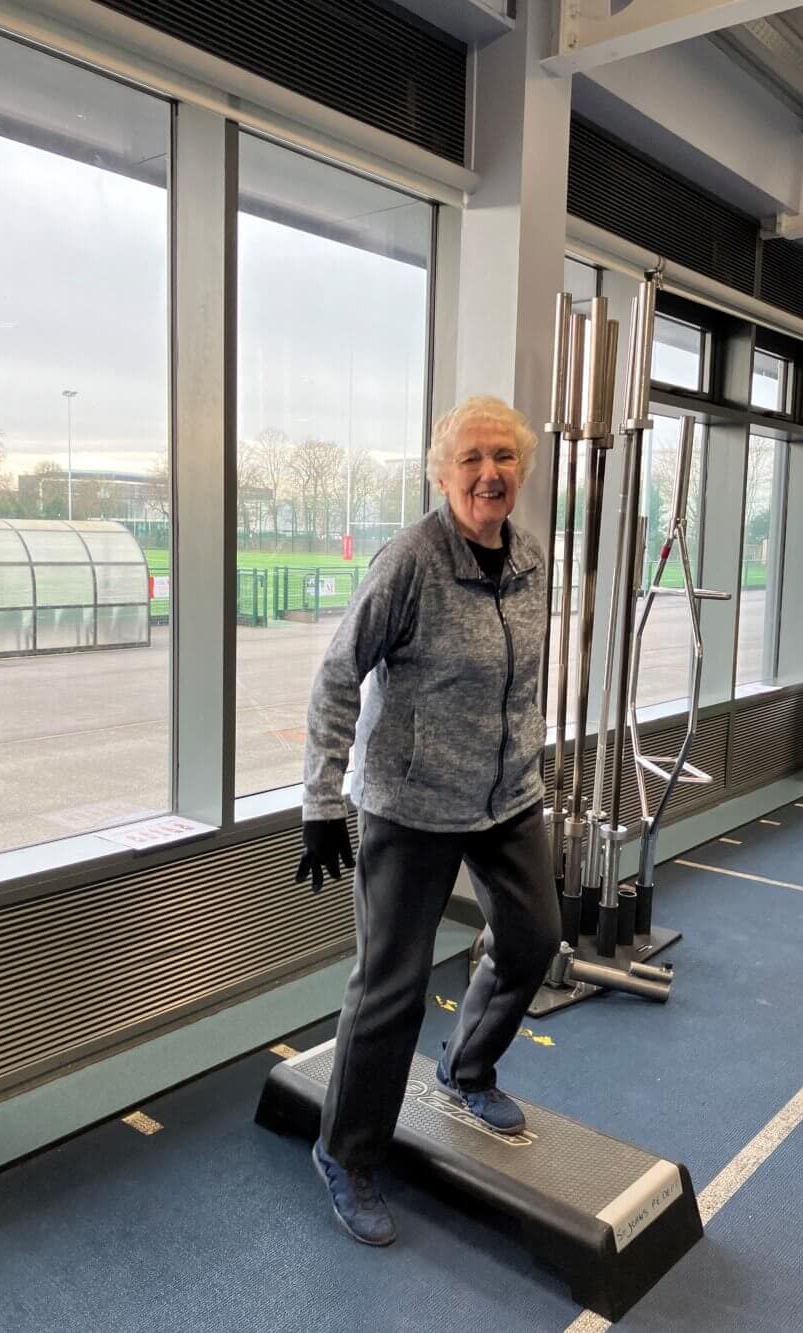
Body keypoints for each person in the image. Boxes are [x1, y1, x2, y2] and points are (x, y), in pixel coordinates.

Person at [295, 394, 560, 1247]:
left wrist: (529, 761)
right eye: (473, 459)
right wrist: (321, 798)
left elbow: (518, 682)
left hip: (503, 798)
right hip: (408, 805)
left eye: (505, 458)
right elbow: (339, 675)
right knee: (392, 986)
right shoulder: (409, 560)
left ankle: (465, 1066)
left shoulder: (531, 560)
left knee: (531, 941)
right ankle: (346, 1151)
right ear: (444, 474)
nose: (491, 474)